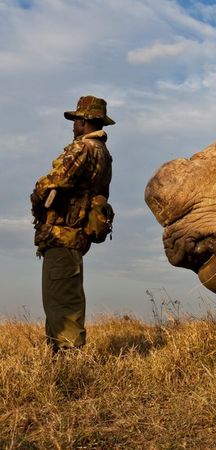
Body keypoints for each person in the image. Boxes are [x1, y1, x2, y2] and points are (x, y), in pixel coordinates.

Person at [30, 95, 114, 353]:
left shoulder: (82, 148)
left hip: (62, 235)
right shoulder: (104, 154)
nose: (74, 125)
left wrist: (36, 197)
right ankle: (60, 357)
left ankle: (69, 363)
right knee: (62, 298)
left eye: (77, 119)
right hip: (74, 237)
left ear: (86, 121)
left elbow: (51, 183)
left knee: (62, 303)